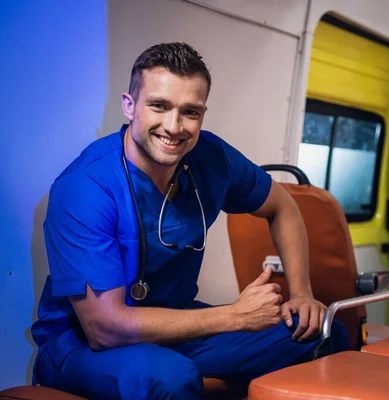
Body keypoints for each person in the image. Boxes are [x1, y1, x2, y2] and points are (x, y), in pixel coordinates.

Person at [31, 42, 348, 399]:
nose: (174, 126)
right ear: (129, 105)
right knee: (171, 378)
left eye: (190, 112)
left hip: (177, 325)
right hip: (85, 345)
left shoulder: (210, 157)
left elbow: (283, 206)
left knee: (321, 332)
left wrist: (302, 294)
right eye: (159, 106)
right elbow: (105, 328)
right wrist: (234, 317)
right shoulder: (86, 188)